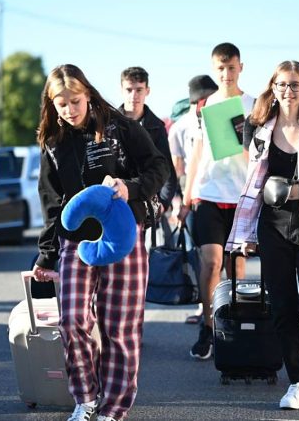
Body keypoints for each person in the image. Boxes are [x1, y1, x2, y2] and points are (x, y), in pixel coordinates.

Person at [31, 64, 169, 421]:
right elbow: (50, 200)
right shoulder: (52, 141)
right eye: (60, 104)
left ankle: (114, 407)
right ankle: (86, 397)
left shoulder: (120, 126)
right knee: (73, 320)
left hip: (124, 235)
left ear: (87, 94)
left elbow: (158, 166)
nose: (69, 110)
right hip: (77, 242)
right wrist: (46, 255)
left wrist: (131, 187)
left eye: (74, 101)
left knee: (119, 329)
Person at [226, 60, 299, 410]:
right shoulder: (260, 128)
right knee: (282, 305)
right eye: (282, 85)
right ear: (273, 89)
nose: (288, 91)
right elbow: (252, 183)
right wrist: (246, 233)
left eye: (295, 85)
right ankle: (295, 382)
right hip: (272, 223)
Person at [179, 42, 255, 360]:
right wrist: (186, 197)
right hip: (207, 193)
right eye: (221, 68)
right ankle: (208, 327)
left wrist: (242, 138)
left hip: (240, 195)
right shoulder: (203, 106)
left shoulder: (254, 104)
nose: (226, 73)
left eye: (232, 67)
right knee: (210, 262)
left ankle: (232, 326)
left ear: (240, 67)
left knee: (235, 267)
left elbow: (260, 153)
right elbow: (196, 152)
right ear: (215, 69)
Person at [167, 74, 219, 325]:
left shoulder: (223, 118)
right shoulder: (180, 128)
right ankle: (205, 307)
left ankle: (223, 309)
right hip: (195, 197)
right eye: (205, 99)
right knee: (203, 257)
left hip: (222, 194)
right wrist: (178, 201)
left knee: (221, 259)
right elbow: (177, 170)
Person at [117, 66, 178, 247]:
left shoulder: (156, 126)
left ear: (147, 91)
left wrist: (164, 203)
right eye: (129, 90)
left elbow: (166, 168)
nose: (133, 95)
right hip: (116, 197)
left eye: (139, 90)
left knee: (147, 259)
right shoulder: (109, 123)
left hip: (146, 200)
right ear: (121, 90)